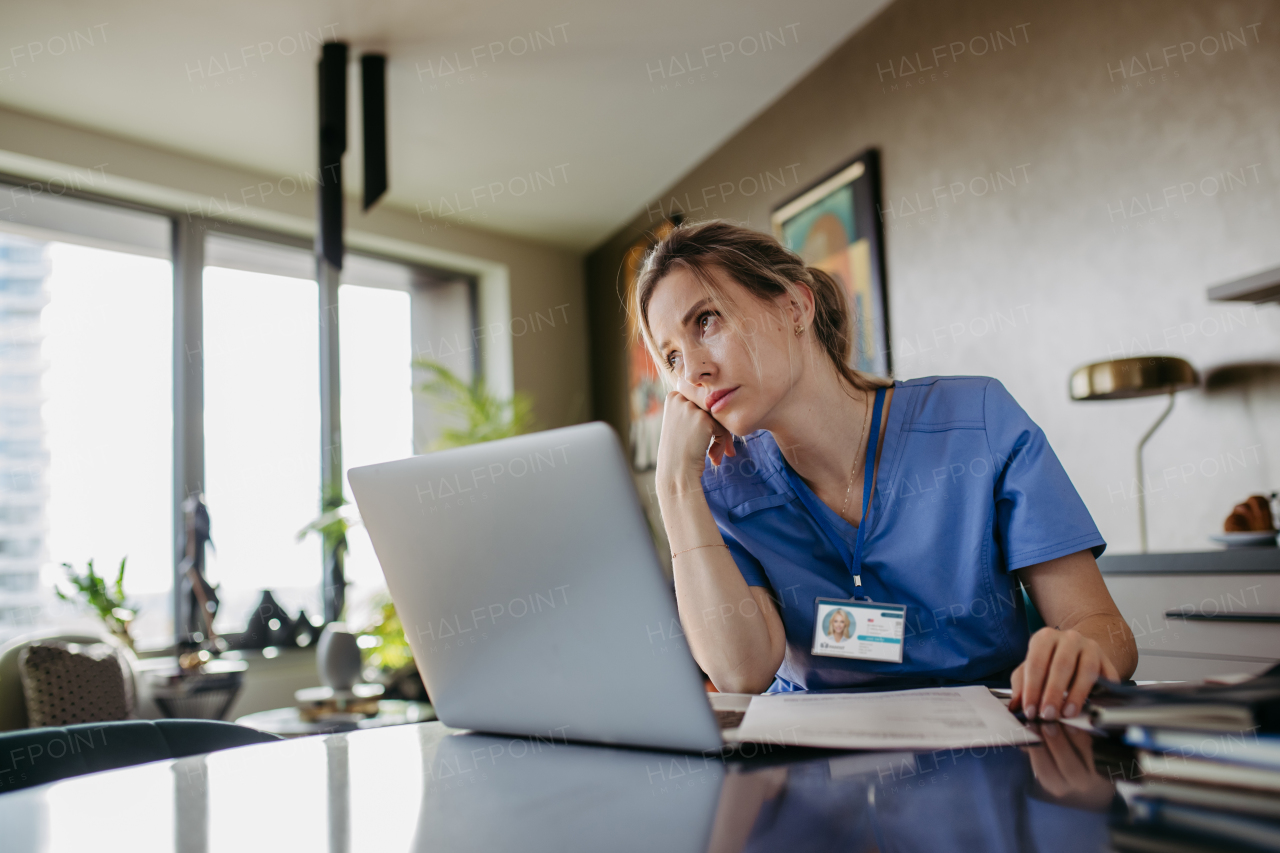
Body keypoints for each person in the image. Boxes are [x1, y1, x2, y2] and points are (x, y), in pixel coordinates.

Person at [633, 220, 1137, 722]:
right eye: (672, 357)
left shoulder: (977, 424)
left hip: (990, 755)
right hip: (815, 775)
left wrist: (1082, 655)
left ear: (794, 307)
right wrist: (675, 485)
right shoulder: (725, 489)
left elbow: (1098, 625)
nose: (693, 371)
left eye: (707, 322)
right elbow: (741, 673)